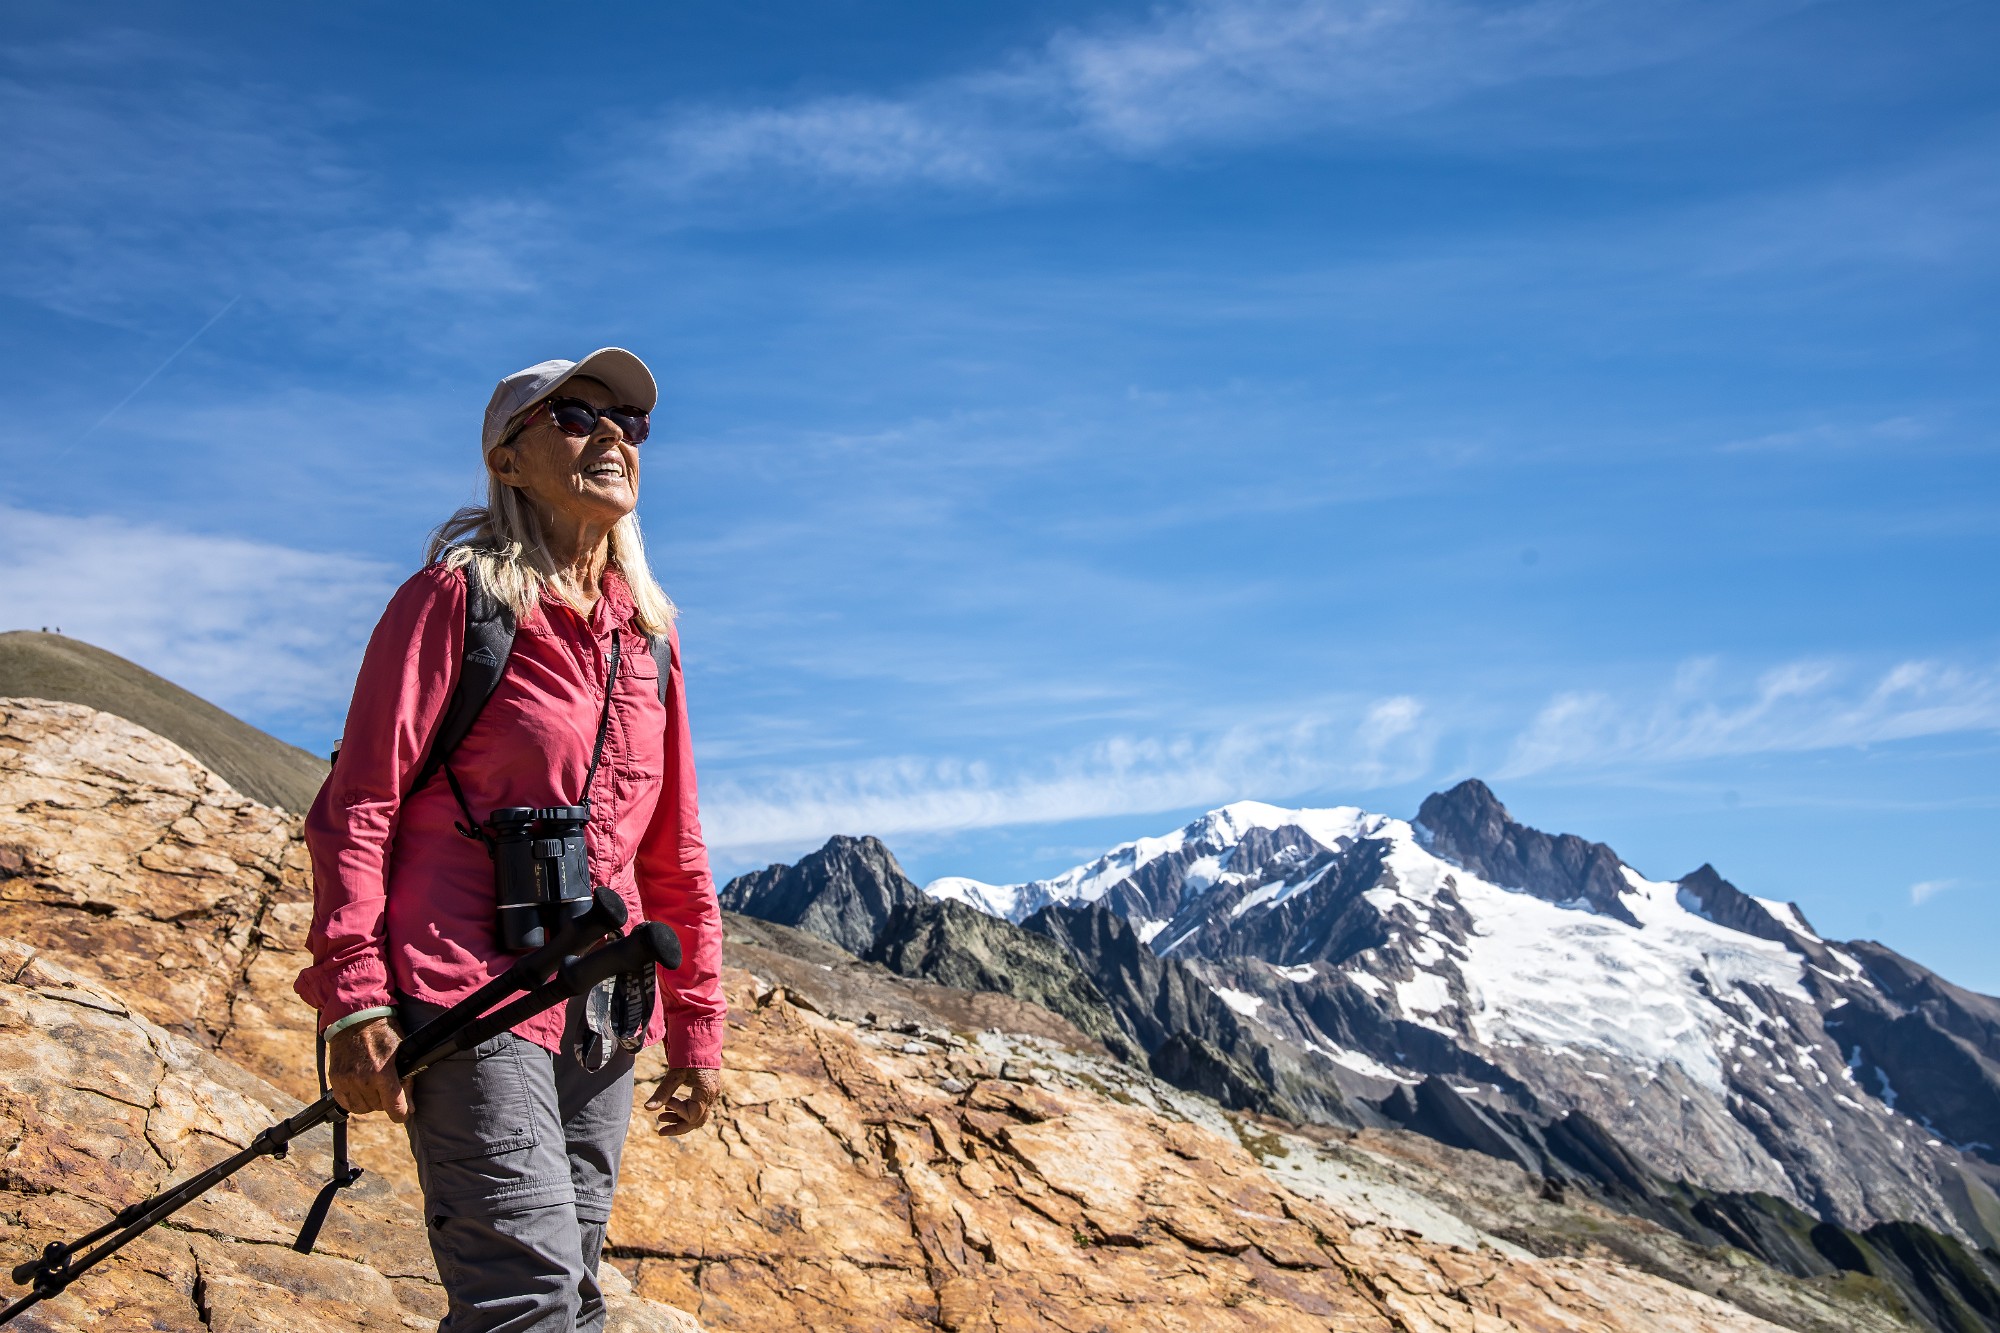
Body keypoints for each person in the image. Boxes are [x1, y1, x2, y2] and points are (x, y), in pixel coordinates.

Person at [296, 348, 725, 1333]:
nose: (612, 433)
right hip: (467, 989)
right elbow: (358, 804)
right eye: (576, 415)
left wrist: (697, 1026)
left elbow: (674, 850)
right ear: (507, 458)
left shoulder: (649, 637)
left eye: (629, 421)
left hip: (602, 1009)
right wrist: (354, 999)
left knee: (576, 1294)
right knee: (522, 1297)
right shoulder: (454, 602)